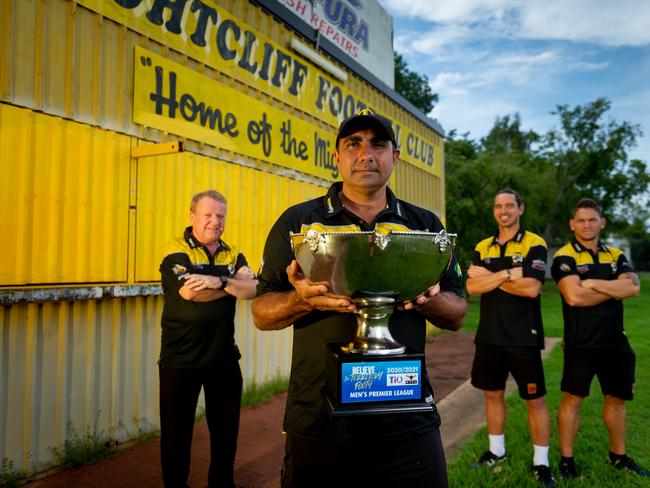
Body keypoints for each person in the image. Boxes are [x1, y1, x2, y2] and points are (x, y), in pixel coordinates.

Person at [252, 108, 467, 488]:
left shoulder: (424, 226)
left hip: (406, 416)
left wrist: (425, 299)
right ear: (337, 155)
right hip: (319, 418)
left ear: (394, 157)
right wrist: (304, 300)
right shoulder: (299, 222)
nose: (366, 154)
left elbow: (457, 313)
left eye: (378, 144)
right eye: (354, 144)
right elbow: (261, 313)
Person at [158, 190, 257, 488]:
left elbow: (253, 290)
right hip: (181, 360)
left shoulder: (232, 252)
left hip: (223, 358)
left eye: (221, 216)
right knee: (177, 435)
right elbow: (190, 293)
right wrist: (232, 284)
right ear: (192, 216)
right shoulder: (175, 250)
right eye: (208, 215)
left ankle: (222, 484)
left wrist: (220, 280)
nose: (215, 222)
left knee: (226, 433)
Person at [551, 198, 648, 479]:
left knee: (617, 400)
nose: (587, 225)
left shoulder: (615, 254)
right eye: (581, 220)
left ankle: (618, 456)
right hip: (581, 343)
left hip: (616, 342)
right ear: (572, 224)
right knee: (573, 401)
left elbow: (633, 288)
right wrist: (613, 288)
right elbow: (573, 296)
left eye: (592, 219)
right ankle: (567, 461)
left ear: (601, 222)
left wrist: (592, 282)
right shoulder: (564, 256)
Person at [465, 188, 554, 487]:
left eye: (509, 206)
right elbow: (472, 288)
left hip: (523, 336)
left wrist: (490, 276)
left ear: (520, 209)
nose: (504, 211)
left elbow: (531, 288)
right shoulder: (483, 246)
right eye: (498, 206)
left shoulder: (534, 243)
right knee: (492, 395)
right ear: (494, 211)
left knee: (535, 400)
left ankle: (541, 463)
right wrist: (507, 274)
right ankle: (496, 452)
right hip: (489, 335)